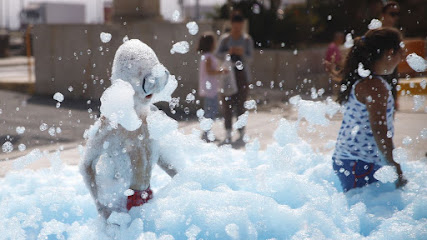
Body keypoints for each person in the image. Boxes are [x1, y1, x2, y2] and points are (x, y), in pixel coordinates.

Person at [80, 39, 177, 219]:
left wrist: (187, 182)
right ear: (126, 80)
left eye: (157, 79)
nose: (152, 89)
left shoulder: (153, 117)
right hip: (121, 206)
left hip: (146, 201)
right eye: (146, 81)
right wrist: (101, 206)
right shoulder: (112, 121)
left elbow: (159, 157)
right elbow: (86, 165)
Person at [332, 28, 407, 192]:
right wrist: (396, 167)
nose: (403, 56)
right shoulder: (375, 87)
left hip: (353, 161)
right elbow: (380, 130)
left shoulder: (369, 82)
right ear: (389, 52)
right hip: (357, 162)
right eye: (400, 50)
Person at [215, 14, 254, 143]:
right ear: (231, 25)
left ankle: (241, 130)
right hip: (227, 76)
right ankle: (227, 131)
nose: (237, 29)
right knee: (227, 105)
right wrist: (229, 53)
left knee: (241, 105)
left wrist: (241, 54)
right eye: (235, 26)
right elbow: (217, 55)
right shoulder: (225, 39)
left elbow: (250, 58)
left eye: (240, 27)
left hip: (242, 76)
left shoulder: (247, 40)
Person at [197, 32, 227, 142]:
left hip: (209, 87)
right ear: (210, 44)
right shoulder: (208, 57)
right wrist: (221, 71)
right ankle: (206, 132)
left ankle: (206, 132)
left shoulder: (206, 56)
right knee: (212, 110)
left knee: (209, 109)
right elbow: (209, 71)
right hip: (210, 88)